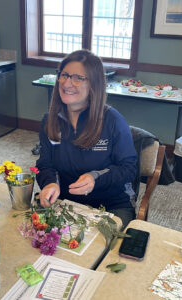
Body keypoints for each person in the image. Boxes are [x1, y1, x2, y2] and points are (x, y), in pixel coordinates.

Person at [36, 49, 137, 229]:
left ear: (94, 84)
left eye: (78, 78)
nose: (67, 83)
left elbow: (128, 169)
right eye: (64, 75)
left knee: (101, 251)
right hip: (66, 203)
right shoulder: (50, 120)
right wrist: (50, 183)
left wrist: (95, 178)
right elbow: (45, 164)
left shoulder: (113, 121)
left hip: (112, 204)